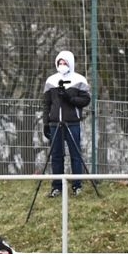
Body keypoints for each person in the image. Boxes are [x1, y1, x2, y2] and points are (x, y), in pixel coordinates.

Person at [42, 50, 92, 196]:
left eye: (65, 63)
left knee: (75, 155)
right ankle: (57, 186)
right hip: (55, 124)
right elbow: (46, 104)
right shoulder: (51, 81)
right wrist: (46, 122)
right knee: (56, 155)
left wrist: (70, 98)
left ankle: (77, 185)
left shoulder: (79, 79)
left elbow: (86, 100)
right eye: (60, 63)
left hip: (72, 123)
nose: (62, 65)